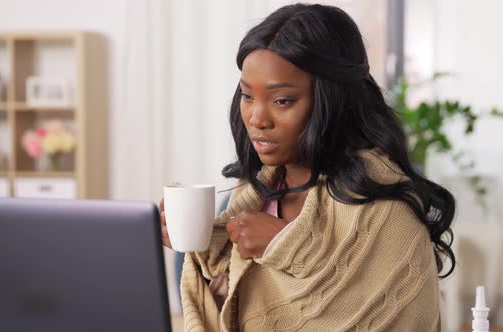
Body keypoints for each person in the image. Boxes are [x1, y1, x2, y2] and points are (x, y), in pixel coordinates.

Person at [160, 3, 455, 331]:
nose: (257, 119)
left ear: (332, 99)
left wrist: (286, 245)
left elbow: (383, 314)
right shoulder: (255, 192)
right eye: (247, 96)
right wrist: (205, 243)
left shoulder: (387, 211)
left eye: (282, 100)